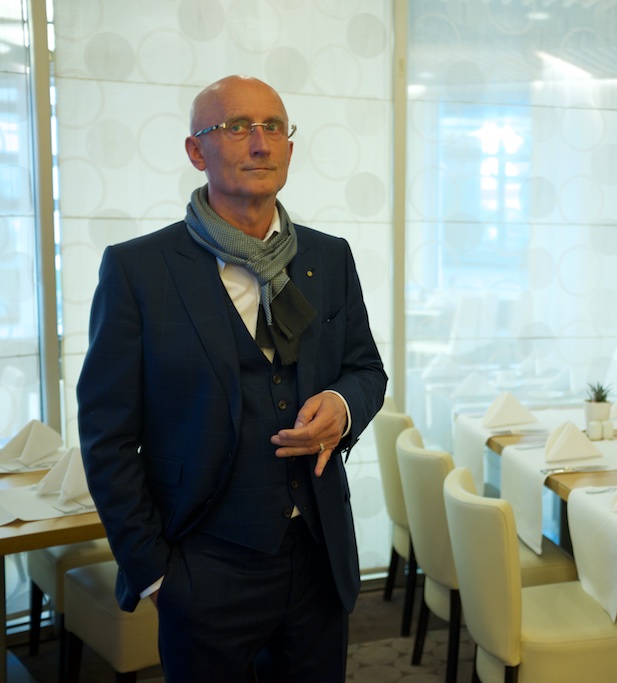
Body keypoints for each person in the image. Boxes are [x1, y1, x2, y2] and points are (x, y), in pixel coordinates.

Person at [77, 75, 387, 681]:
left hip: (318, 557)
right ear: (197, 151)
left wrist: (342, 404)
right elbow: (107, 436)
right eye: (237, 127)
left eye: (274, 127)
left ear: (290, 147)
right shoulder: (139, 270)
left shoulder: (329, 257)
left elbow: (366, 369)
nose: (260, 143)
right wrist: (155, 574)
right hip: (202, 564)